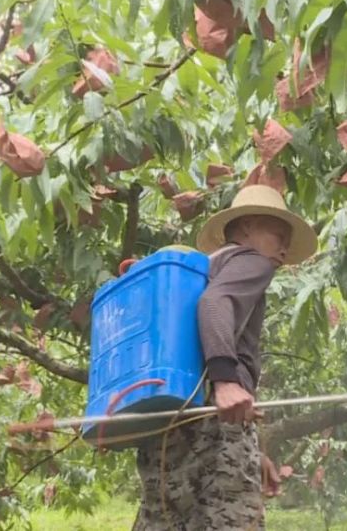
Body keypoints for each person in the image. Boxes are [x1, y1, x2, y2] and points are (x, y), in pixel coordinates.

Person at [132, 185, 318, 531]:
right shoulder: (252, 261)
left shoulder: (204, 270)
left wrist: (252, 451)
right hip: (212, 417)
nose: (283, 249)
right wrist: (226, 381)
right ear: (247, 226)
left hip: (169, 426)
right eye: (279, 236)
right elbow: (214, 303)